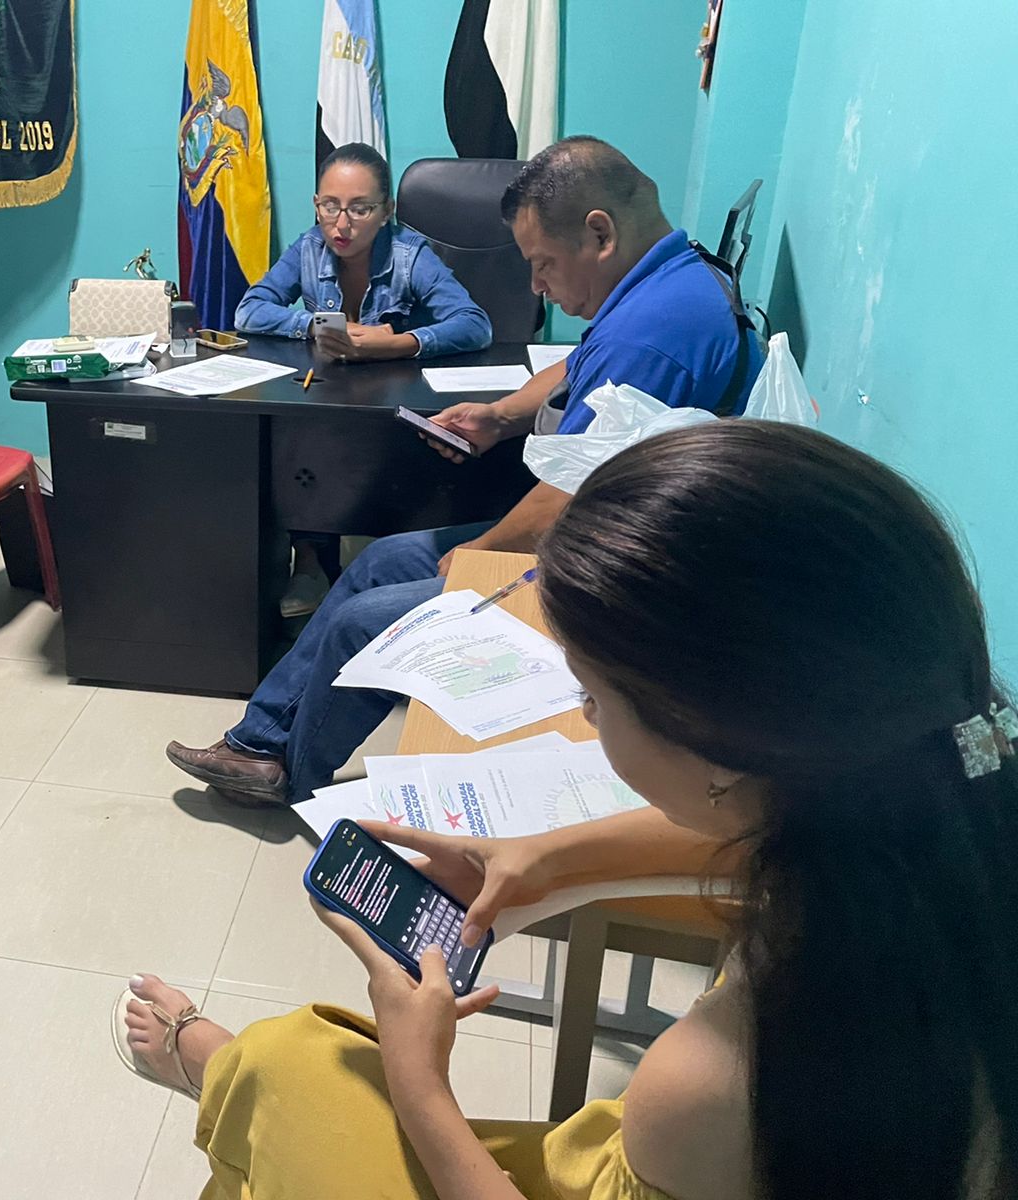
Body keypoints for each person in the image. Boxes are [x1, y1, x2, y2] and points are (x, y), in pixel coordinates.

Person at [121, 420, 1018, 1200]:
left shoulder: (715, 1078)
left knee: (295, 1064)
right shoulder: (932, 791)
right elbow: (781, 832)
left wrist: (421, 1081)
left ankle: (210, 1066)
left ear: (719, 748)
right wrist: (550, 856)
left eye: (591, 696)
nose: (584, 718)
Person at [168, 136, 764, 806]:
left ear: (599, 234)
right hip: (602, 533)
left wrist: (481, 553)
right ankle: (260, 743)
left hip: (616, 571)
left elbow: (573, 501)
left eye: (542, 263)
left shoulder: (652, 335)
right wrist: (501, 416)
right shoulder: (666, 281)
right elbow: (576, 367)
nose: (536, 286)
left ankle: (289, 778)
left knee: (365, 619)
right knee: (383, 559)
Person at [235, 141, 491, 617]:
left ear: (386, 211)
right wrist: (313, 325)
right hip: (331, 397)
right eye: (329, 206)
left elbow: (474, 324)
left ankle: (392, 569)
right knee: (291, 436)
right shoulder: (309, 248)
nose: (341, 223)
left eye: (359, 209)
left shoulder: (410, 255)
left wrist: (396, 343)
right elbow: (250, 310)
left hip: (396, 402)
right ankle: (309, 560)